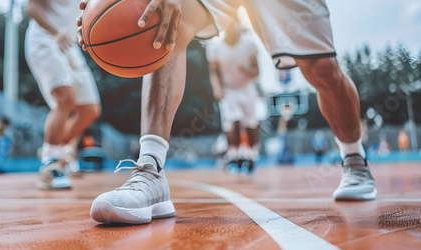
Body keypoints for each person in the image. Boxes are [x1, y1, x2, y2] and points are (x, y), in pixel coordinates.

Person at [76, 0, 376, 224]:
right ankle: (151, 167)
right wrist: (106, 13)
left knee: (323, 70)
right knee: (161, 16)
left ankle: (354, 157)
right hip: (233, 92)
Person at [25, 0, 101, 190]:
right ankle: (49, 165)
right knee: (65, 100)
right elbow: (31, 8)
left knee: (90, 109)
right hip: (46, 38)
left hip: (69, 45)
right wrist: (55, 32)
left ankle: (55, 149)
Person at [206, 21, 261, 174]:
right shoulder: (215, 47)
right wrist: (217, 88)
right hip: (229, 90)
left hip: (247, 88)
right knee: (233, 122)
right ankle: (234, 157)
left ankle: (251, 156)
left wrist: (247, 71)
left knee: (251, 124)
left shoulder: (249, 44)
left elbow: (257, 71)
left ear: (237, 24)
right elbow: (214, 72)